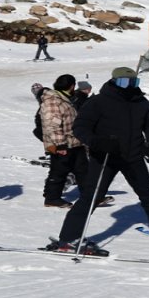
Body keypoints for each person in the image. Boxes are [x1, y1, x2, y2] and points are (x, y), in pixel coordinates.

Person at [46, 67, 149, 255]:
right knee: (91, 197)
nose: (129, 86)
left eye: (133, 82)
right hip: (105, 157)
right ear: (114, 81)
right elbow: (80, 127)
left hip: (133, 155)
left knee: (148, 193)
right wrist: (98, 142)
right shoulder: (98, 102)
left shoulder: (140, 102)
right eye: (124, 82)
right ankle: (69, 238)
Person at [39, 74, 89, 208]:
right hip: (61, 144)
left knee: (83, 169)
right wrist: (60, 144)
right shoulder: (53, 100)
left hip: (74, 142)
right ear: (72, 86)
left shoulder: (65, 98)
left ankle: (90, 196)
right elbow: (52, 125)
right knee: (59, 170)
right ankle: (52, 198)